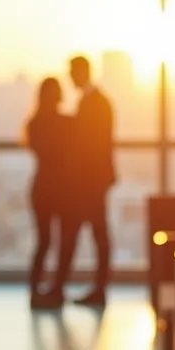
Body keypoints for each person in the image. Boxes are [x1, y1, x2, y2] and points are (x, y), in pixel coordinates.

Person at [54, 55, 115, 306]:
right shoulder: (96, 101)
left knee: (81, 234)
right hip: (93, 181)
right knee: (93, 234)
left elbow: (91, 146)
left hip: (89, 183)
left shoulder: (94, 103)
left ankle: (64, 287)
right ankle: (93, 288)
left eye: (72, 72)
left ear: (82, 72)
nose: (69, 78)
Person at [24, 77, 73, 309]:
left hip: (42, 188)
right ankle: (57, 289)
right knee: (62, 241)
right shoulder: (67, 123)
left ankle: (35, 291)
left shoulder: (34, 123)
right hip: (63, 189)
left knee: (44, 241)